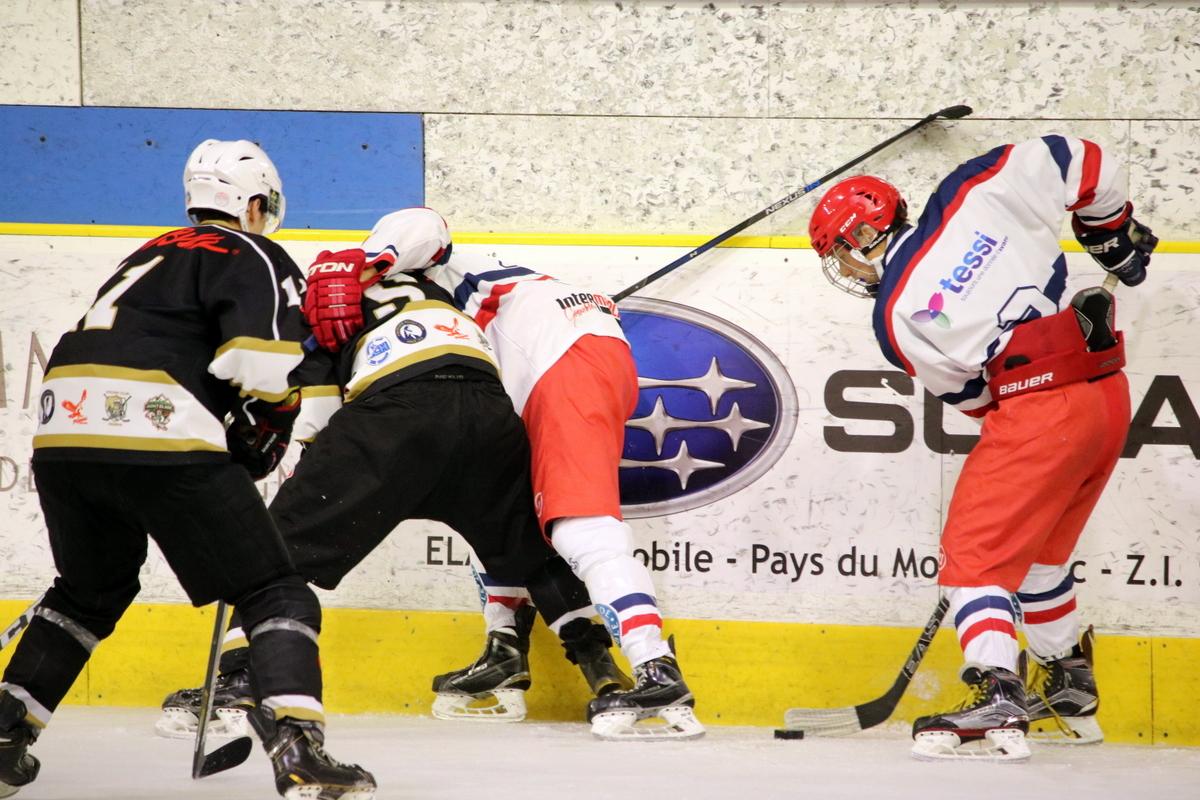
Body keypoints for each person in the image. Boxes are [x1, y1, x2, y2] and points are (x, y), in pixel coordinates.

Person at [0, 139, 375, 799]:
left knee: (86, 593)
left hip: (63, 432)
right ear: (254, 203)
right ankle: (298, 747)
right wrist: (267, 427)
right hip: (159, 427)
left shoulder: (147, 252)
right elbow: (258, 364)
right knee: (275, 591)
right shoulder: (255, 252)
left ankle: (5, 734)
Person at [156, 239, 631, 736]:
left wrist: (299, 477)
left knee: (274, 556)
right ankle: (605, 676)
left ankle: (236, 683)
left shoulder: (320, 303)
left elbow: (317, 416)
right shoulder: (436, 287)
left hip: (395, 414)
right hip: (488, 412)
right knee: (535, 556)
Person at [807, 134, 1157, 761]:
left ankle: (997, 687)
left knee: (974, 557)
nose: (847, 269)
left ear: (862, 237)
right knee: (1043, 555)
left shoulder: (895, 316)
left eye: (840, 252)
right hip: (1105, 395)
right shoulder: (973, 188)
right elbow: (1086, 159)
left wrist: (1033, 414)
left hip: (1039, 408)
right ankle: (1069, 682)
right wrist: (1109, 231)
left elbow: (976, 401)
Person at [305, 208, 705, 740]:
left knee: (579, 525)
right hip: (557, 360)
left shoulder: (408, 271)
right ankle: (505, 648)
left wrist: (361, 264)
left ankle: (656, 667)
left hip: (559, 356)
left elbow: (424, 222)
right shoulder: (448, 310)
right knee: (491, 502)